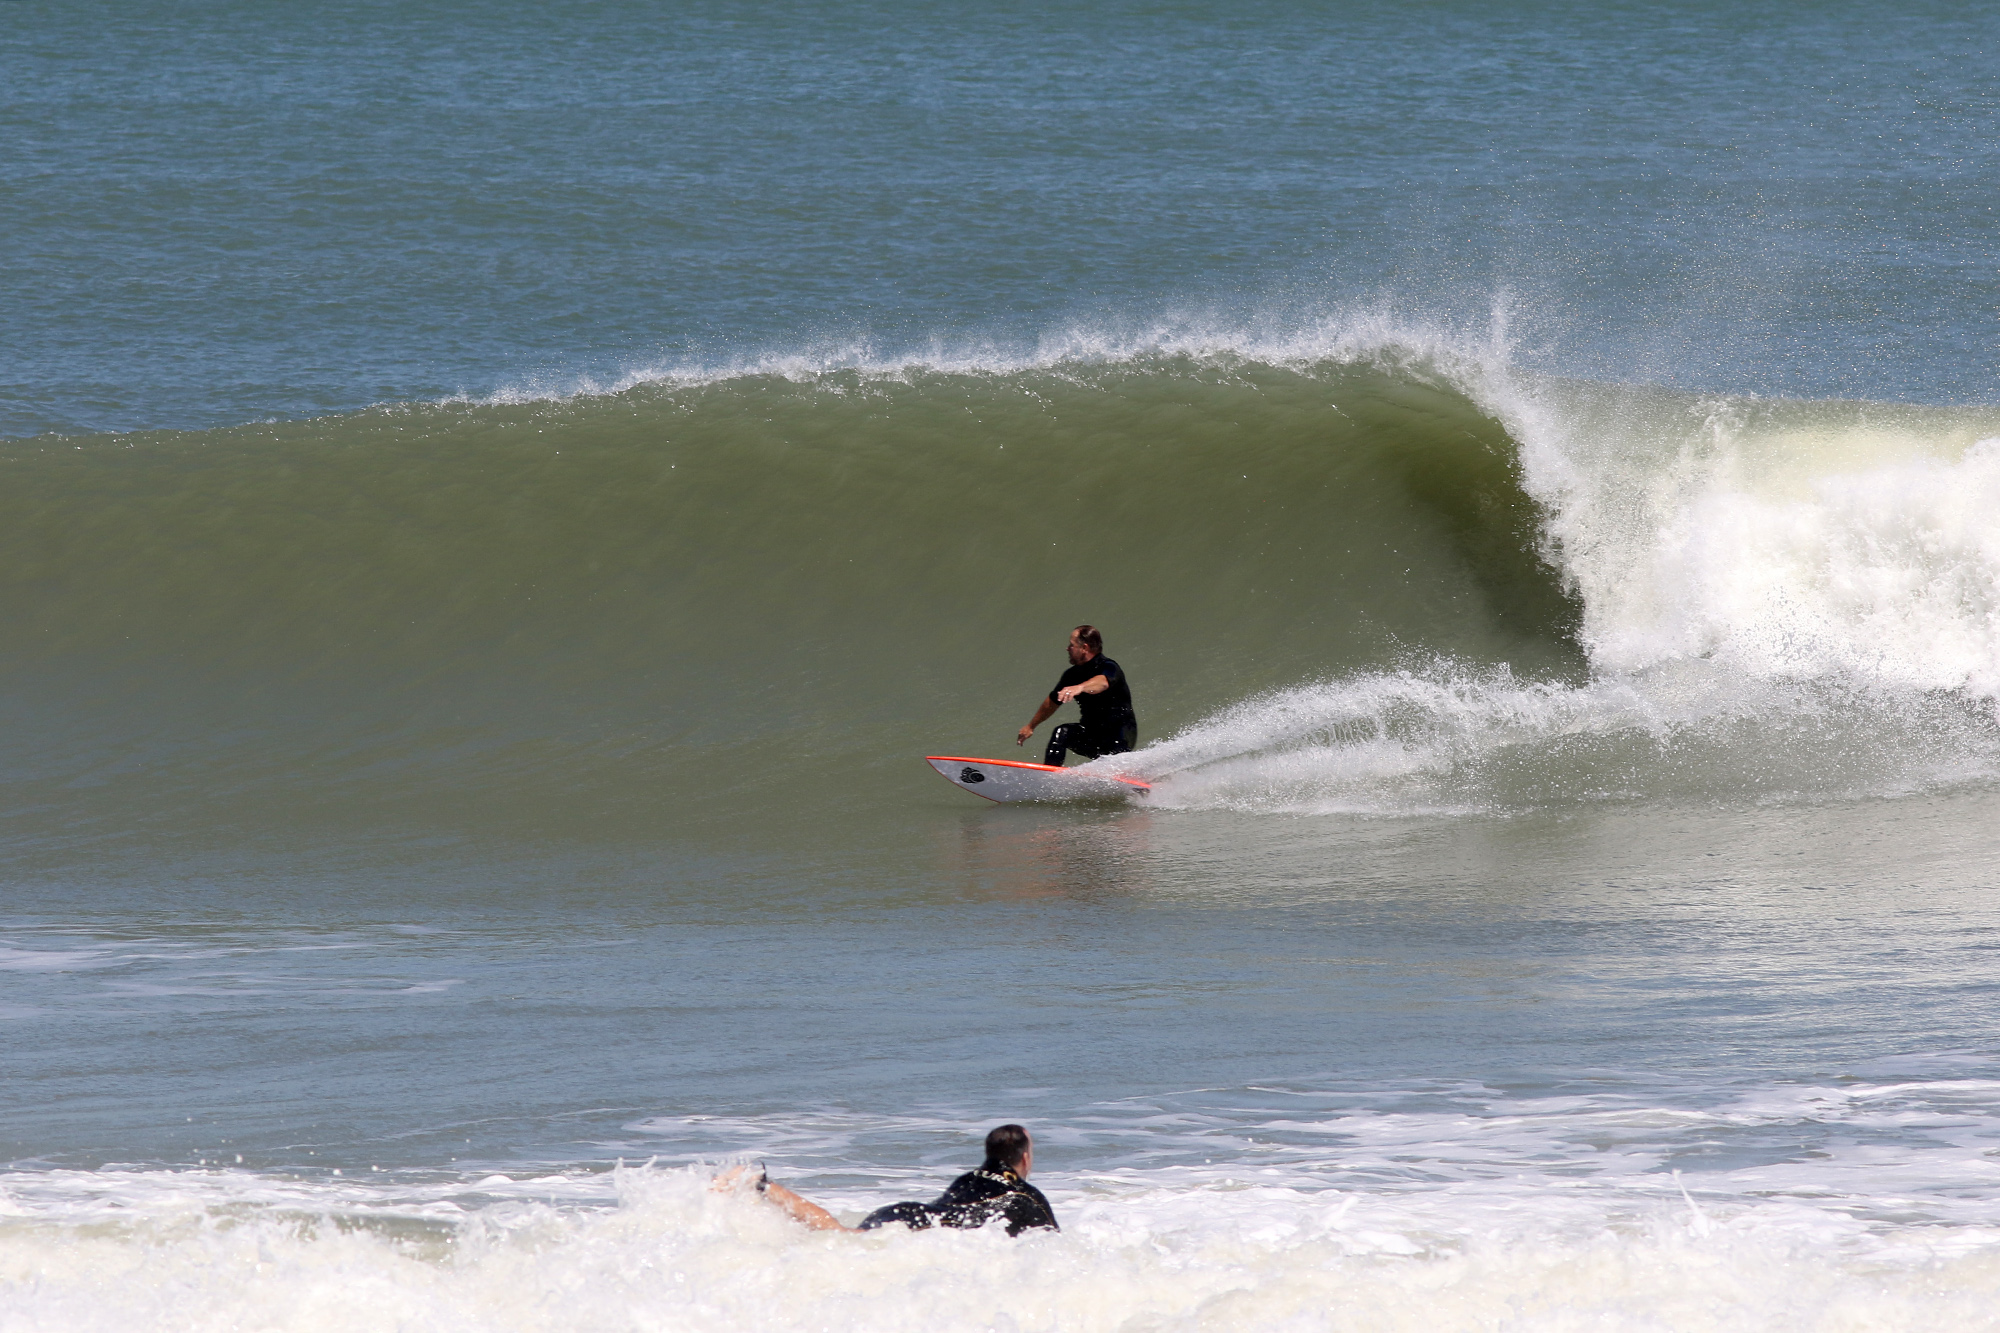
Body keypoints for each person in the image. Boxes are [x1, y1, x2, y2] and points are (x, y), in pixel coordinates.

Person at [716, 1123, 1058, 1237]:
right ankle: (759, 1184)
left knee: (840, 1236)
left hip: (905, 1212)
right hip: (920, 1229)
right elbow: (1055, 1248)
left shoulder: (967, 1178)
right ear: (1024, 1158)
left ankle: (760, 1185)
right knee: (843, 1240)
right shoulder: (1026, 1197)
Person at [1016, 624, 1137, 767]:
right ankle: (1049, 776)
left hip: (1120, 735)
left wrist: (1081, 687)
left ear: (1084, 648)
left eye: (1071, 645)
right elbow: (1052, 702)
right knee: (1062, 732)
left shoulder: (1109, 666)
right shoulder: (1071, 675)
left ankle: (1134, 783)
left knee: (1115, 763)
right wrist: (1031, 726)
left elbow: (1102, 683)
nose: (1067, 648)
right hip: (1092, 735)